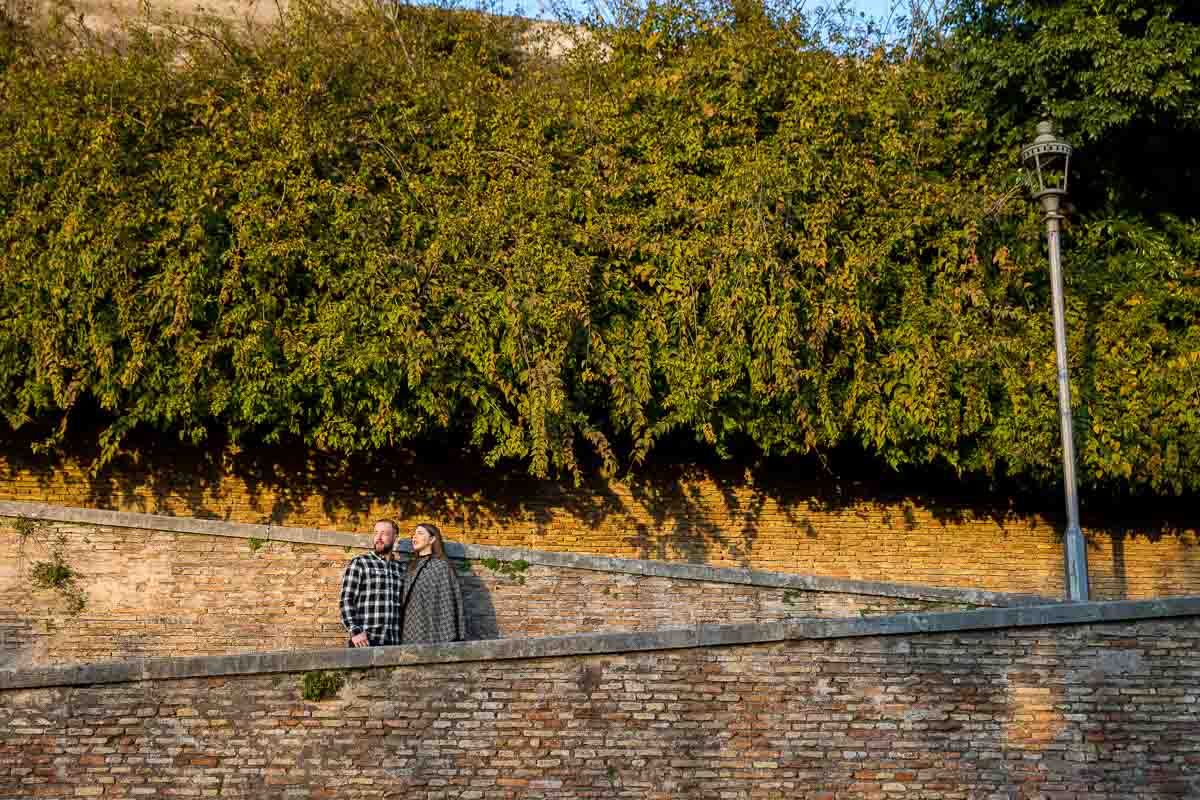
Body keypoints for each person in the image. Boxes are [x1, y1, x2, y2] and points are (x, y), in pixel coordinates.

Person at [339, 519, 404, 647]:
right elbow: (346, 599)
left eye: (384, 533)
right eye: (376, 533)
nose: (378, 538)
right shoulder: (361, 563)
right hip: (365, 641)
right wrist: (355, 631)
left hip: (394, 642)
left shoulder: (400, 569)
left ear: (395, 536)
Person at [399, 523, 465, 644]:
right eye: (413, 534)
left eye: (420, 533)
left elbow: (447, 603)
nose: (414, 537)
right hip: (411, 627)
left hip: (434, 629)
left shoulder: (441, 566)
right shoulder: (411, 567)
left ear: (432, 539)